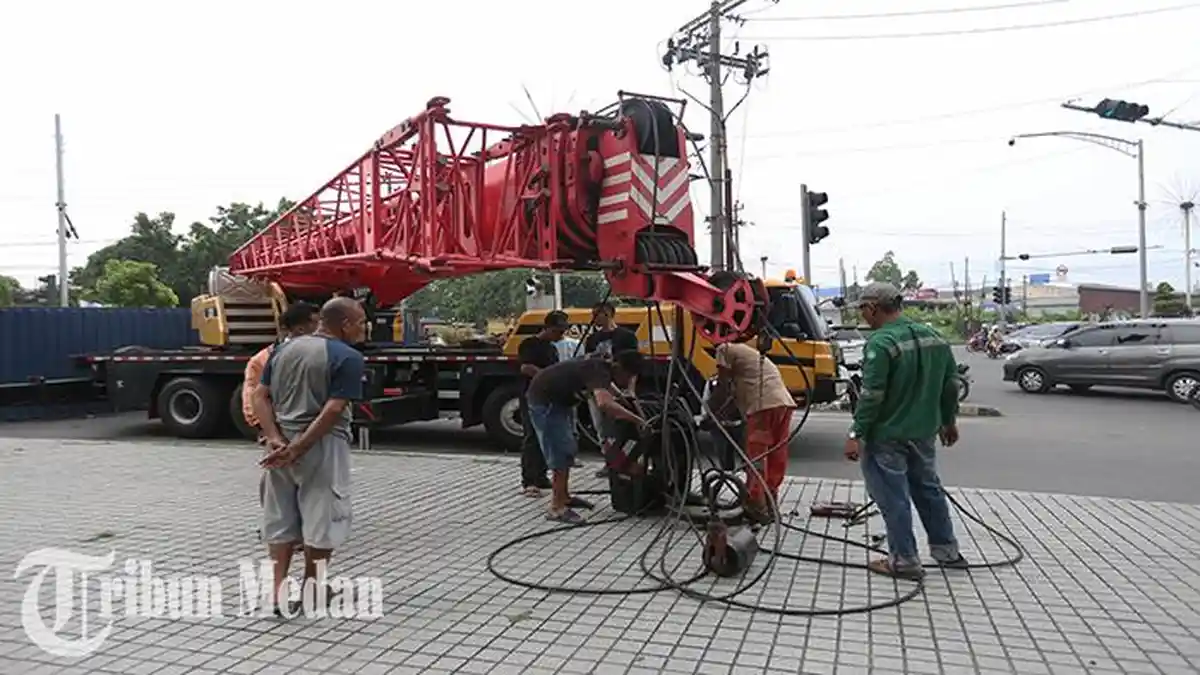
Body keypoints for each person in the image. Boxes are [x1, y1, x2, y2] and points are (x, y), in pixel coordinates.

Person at [843, 282, 967, 579]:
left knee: (893, 498)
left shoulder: (882, 342)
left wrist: (855, 433)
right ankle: (947, 551)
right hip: (923, 431)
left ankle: (904, 561)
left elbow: (872, 395)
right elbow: (950, 385)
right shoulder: (935, 337)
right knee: (929, 489)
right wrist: (948, 421)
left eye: (862, 309)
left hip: (887, 435)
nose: (862, 316)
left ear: (873, 307)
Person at [252, 297, 368, 615]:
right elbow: (333, 408)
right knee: (321, 517)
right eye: (360, 322)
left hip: (278, 449)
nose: (363, 329)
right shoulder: (348, 357)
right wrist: (300, 447)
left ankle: (277, 593)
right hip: (322, 447)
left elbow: (259, 395)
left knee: (280, 518)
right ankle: (313, 590)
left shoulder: (281, 350)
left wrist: (276, 439)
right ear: (344, 324)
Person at [527, 349, 646, 523]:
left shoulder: (605, 366)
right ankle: (556, 507)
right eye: (628, 376)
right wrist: (638, 420)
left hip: (560, 402)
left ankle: (565, 497)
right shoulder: (599, 369)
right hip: (546, 403)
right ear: (619, 367)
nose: (628, 381)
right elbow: (604, 403)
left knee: (568, 448)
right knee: (559, 452)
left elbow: (608, 388)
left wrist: (623, 398)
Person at [243, 302, 319, 505]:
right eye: (316, 323)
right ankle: (272, 522)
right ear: (301, 328)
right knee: (276, 479)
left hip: (304, 428)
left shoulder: (318, 354)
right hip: (277, 428)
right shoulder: (264, 359)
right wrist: (267, 431)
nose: (321, 328)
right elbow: (253, 395)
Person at [713, 340, 796, 524]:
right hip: (783, 402)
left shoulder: (723, 348)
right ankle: (770, 503)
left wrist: (712, 412)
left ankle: (757, 505)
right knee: (776, 453)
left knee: (756, 456)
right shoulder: (747, 354)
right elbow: (734, 393)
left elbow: (722, 386)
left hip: (762, 405)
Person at [584, 302, 639, 478]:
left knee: (622, 427)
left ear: (608, 313)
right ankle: (610, 462)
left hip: (620, 386)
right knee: (602, 427)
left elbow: (633, 365)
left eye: (596, 314)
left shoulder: (627, 337)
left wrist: (631, 390)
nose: (593, 318)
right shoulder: (592, 339)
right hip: (599, 385)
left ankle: (626, 461)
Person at [517, 311, 569, 497]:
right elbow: (526, 367)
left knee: (545, 437)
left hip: (548, 397)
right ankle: (529, 480)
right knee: (532, 436)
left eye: (562, 331)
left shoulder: (552, 348)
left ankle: (540, 476)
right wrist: (546, 377)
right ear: (547, 328)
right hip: (531, 395)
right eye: (557, 331)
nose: (560, 335)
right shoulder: (530, 344)